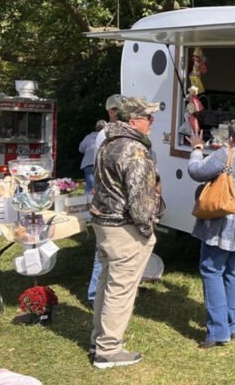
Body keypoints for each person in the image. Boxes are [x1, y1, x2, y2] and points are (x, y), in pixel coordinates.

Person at [89, 97, 163, 370]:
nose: (152, 122)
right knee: (120, 290)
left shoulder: (108, 143)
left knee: (107, 284)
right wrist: (147, 230)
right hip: (124, 228)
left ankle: (98, 340)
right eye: (148, 118)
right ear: (133, 122)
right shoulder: (134, 151)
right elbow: (141, 203)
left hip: (103, 223)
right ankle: (108, 350)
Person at [185, 118, 235, 348]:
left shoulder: (224, 154)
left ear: (230, 137)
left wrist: (197, 149)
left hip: (225, 217)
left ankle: (217, 331)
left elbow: (196, 171)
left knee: (212, 269)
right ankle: (230, 326)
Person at [87, 94, 125, 305]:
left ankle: (106, 293)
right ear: (110, 112)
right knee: (103, 248)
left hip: (112, 195)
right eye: (119, 111)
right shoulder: (105, 134)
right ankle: (95, 294)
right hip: (108, 196)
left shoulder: (116, 132)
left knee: (113, 249)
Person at [78, 120, 106, 195]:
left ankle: (87, 202)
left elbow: (81, 148)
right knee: (102, 185)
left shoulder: (88, 137)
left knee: (89, 185)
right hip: (102, 162)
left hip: (88, 162)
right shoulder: (106, 137)